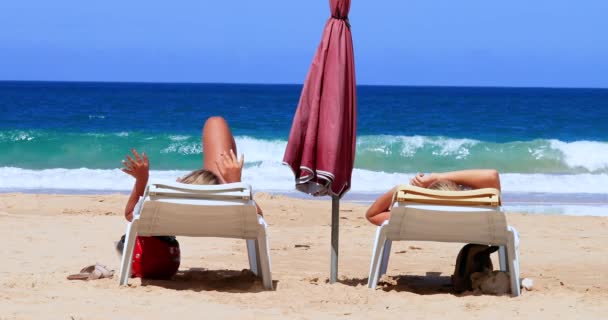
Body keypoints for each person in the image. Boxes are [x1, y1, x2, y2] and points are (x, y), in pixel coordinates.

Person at [118, 116, 261, 279]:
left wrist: (141, 181)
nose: (178, 179)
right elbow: (258, 218)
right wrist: (236, 183)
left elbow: (130, 213)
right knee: (216, 122)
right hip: (220, 212)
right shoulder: (229, 207)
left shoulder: (163, 204)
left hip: (166, 250)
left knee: (214, 122)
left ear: (185, 184)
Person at [365, 169, 501, 226]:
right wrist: (438, 177)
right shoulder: (474, 213)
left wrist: (402, 188)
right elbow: (492, 176)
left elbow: (372, 214)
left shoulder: (415, 216)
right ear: (459, 191)